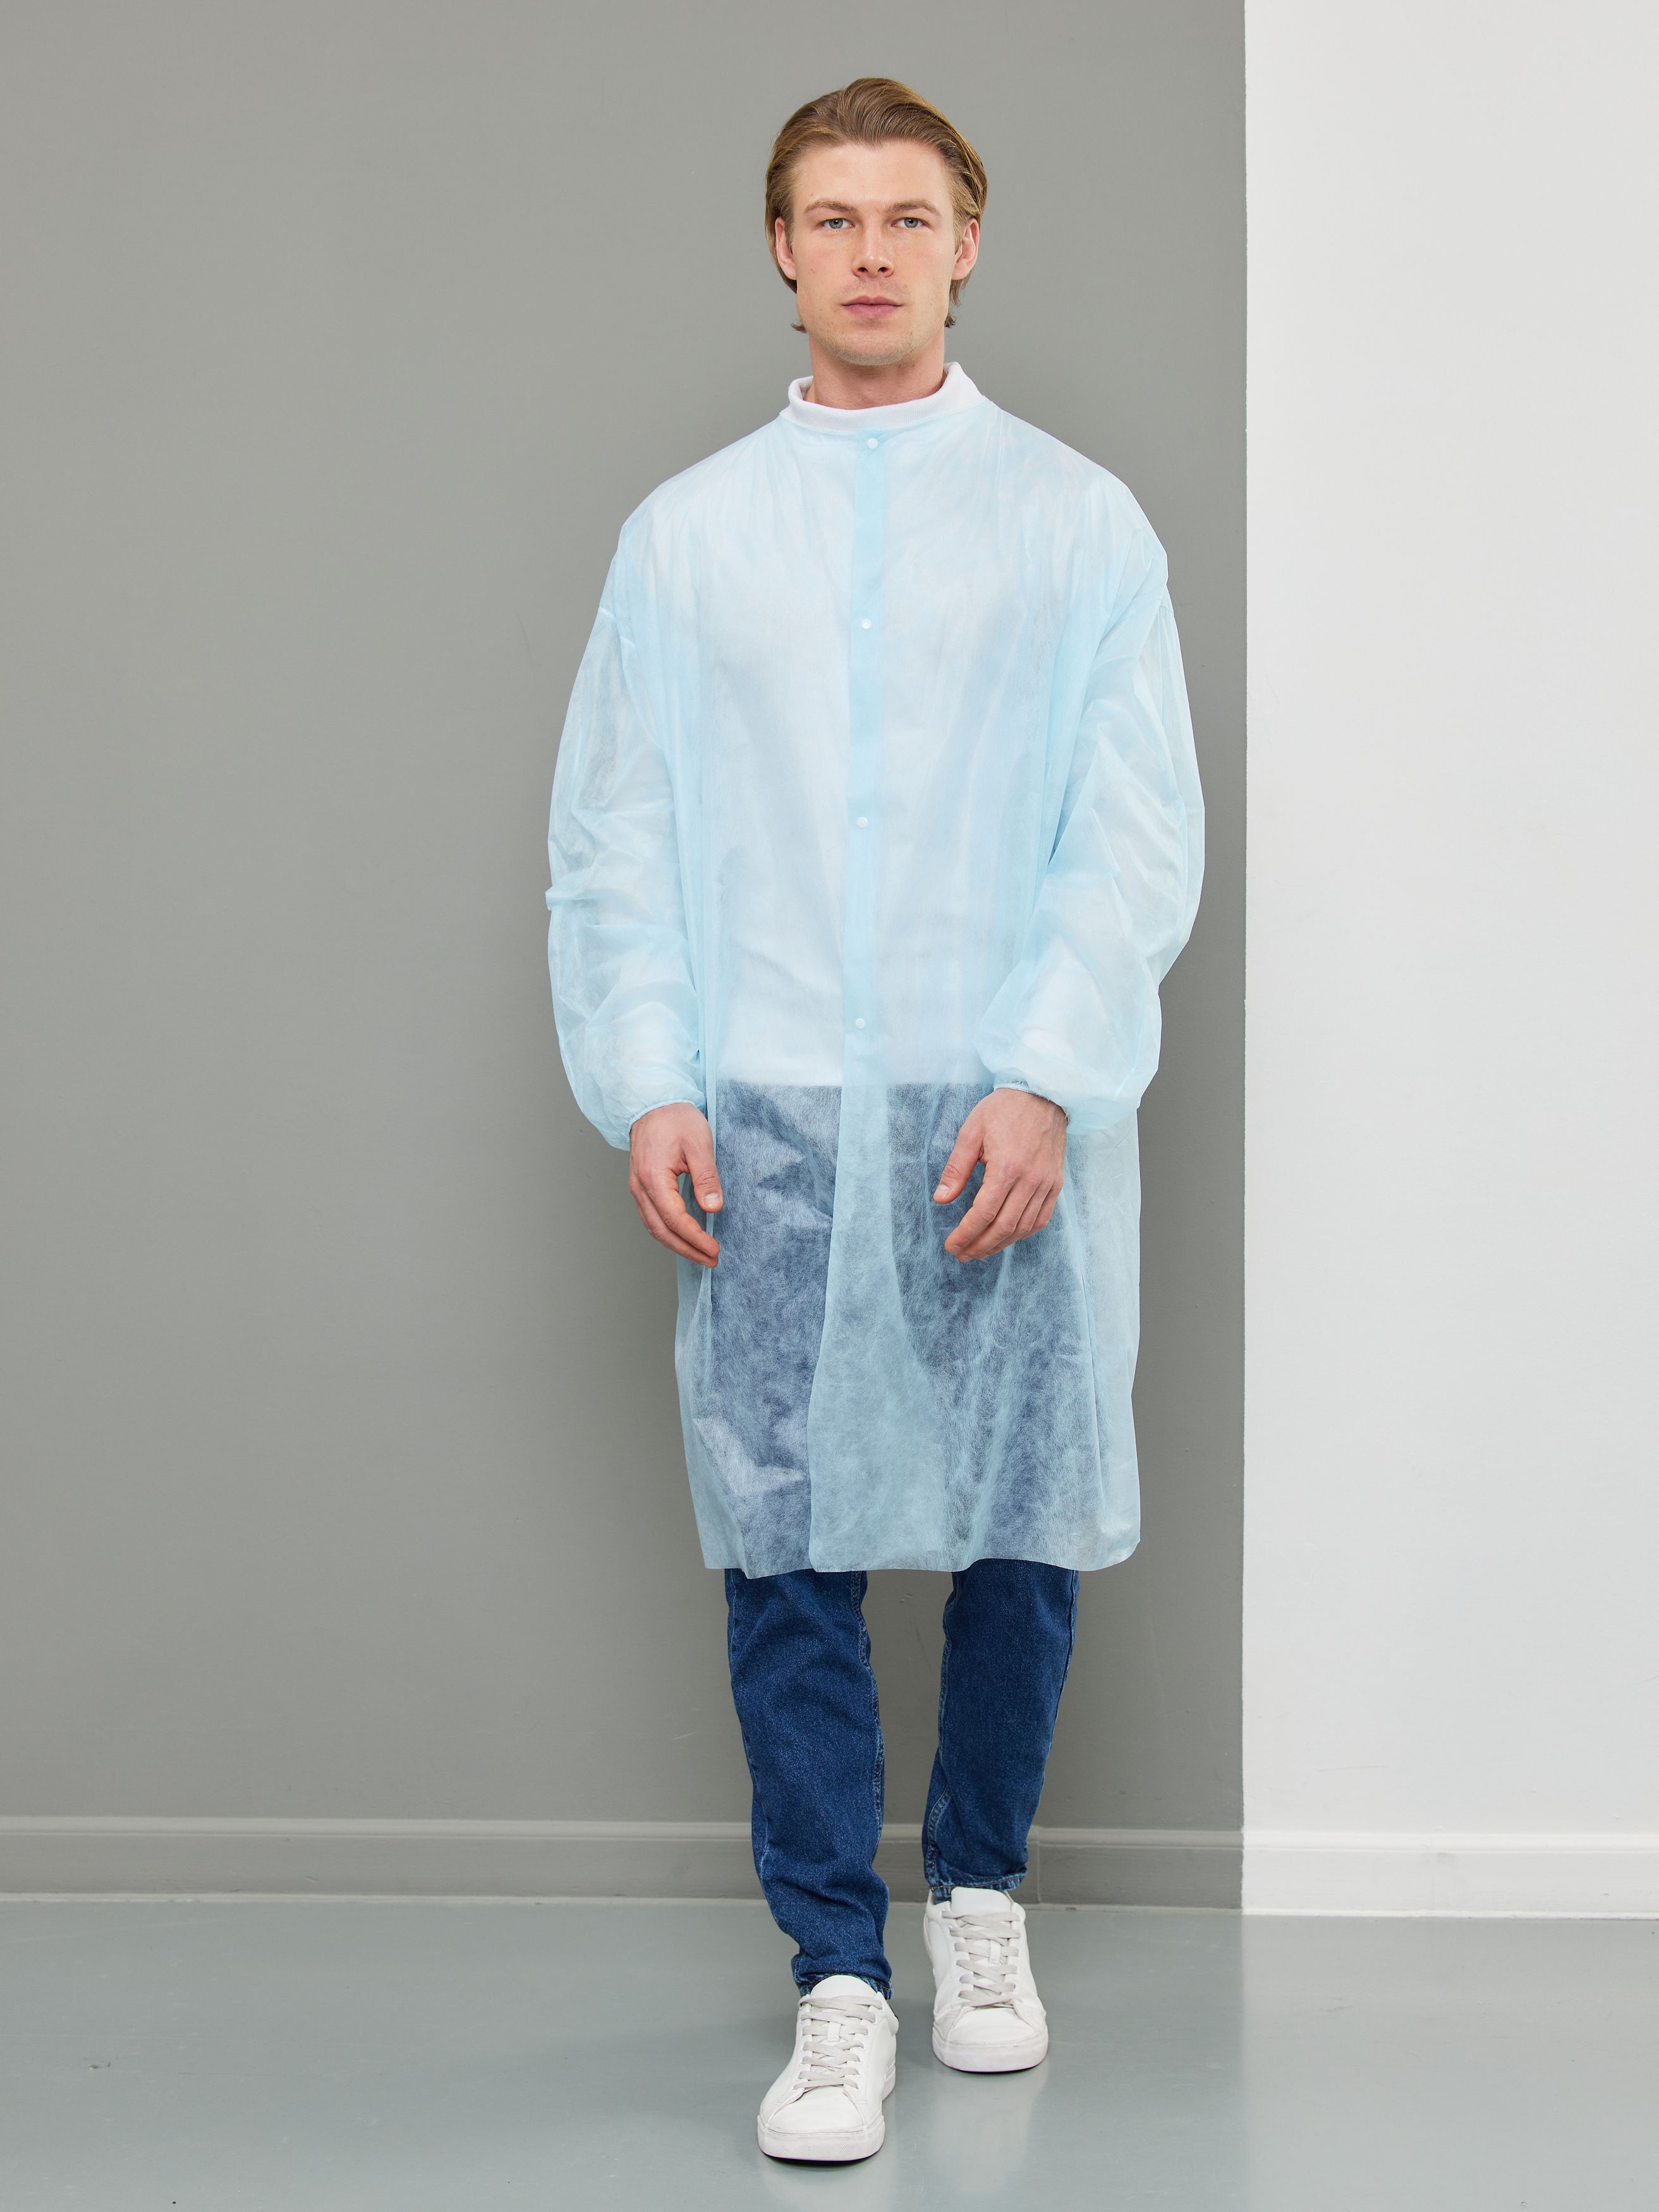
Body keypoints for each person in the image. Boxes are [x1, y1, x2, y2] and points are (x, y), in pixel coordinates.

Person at [545, 77, 1204, 2165]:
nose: (868, 254)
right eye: (830, 218)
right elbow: (615, 832)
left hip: (992, 1083)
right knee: (785, 1541)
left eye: (906, 218)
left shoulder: (1073, 521)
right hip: (764, 1089)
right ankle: (836, 1970)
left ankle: (978, 1898)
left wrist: (1047, 1068)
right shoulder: (687, 538)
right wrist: (648, 1070)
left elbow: (1130, 826)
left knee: (1018, 1520)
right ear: (778, 247)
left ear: (965, 243)